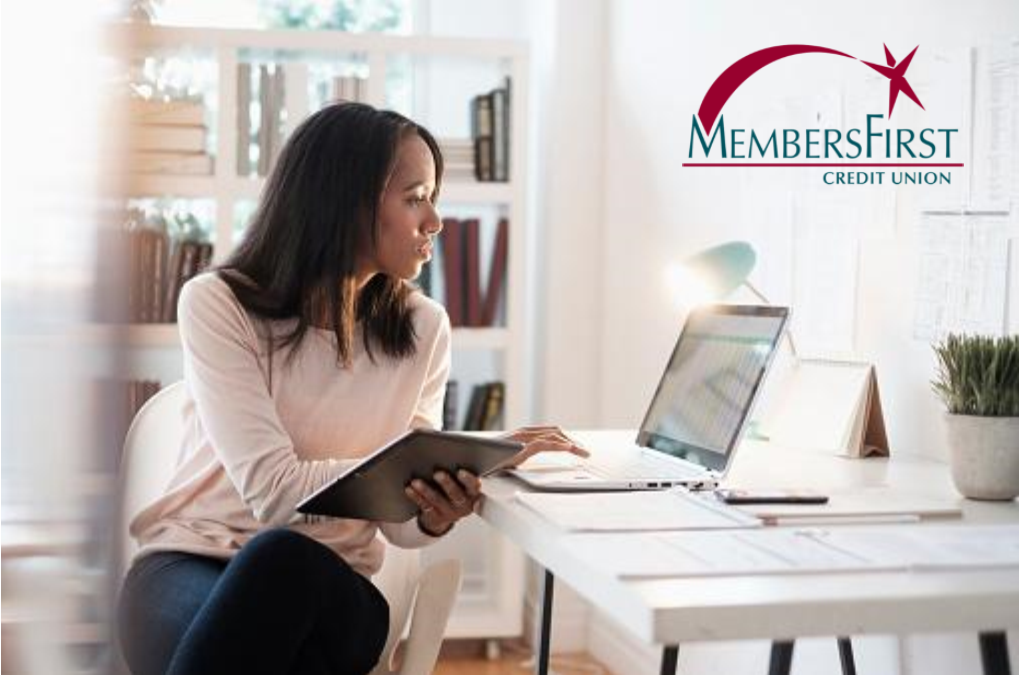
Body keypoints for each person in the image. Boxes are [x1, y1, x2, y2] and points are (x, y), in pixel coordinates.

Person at [117, 102, 588, 675]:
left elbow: (399, 528)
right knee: (275, 613)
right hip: (188, 565)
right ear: (344, 201)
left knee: (284, 564)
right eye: (415, 197)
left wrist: (433, 509)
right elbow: (274, 493)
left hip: (330, 587)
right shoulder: (219, 303)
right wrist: (398, 469)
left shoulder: (422, 327)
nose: (435, 221)